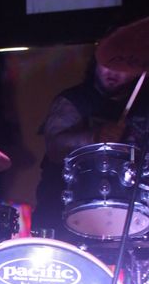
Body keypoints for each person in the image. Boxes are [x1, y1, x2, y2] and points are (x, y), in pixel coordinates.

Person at [33, 53, 147, 242]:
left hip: (136, 215)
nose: (113, 72)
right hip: (65, 212)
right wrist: (93, 137)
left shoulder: (144, 105)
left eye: (123, 68)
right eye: (108, 63)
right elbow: (55, 147)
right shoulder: (74, 100)